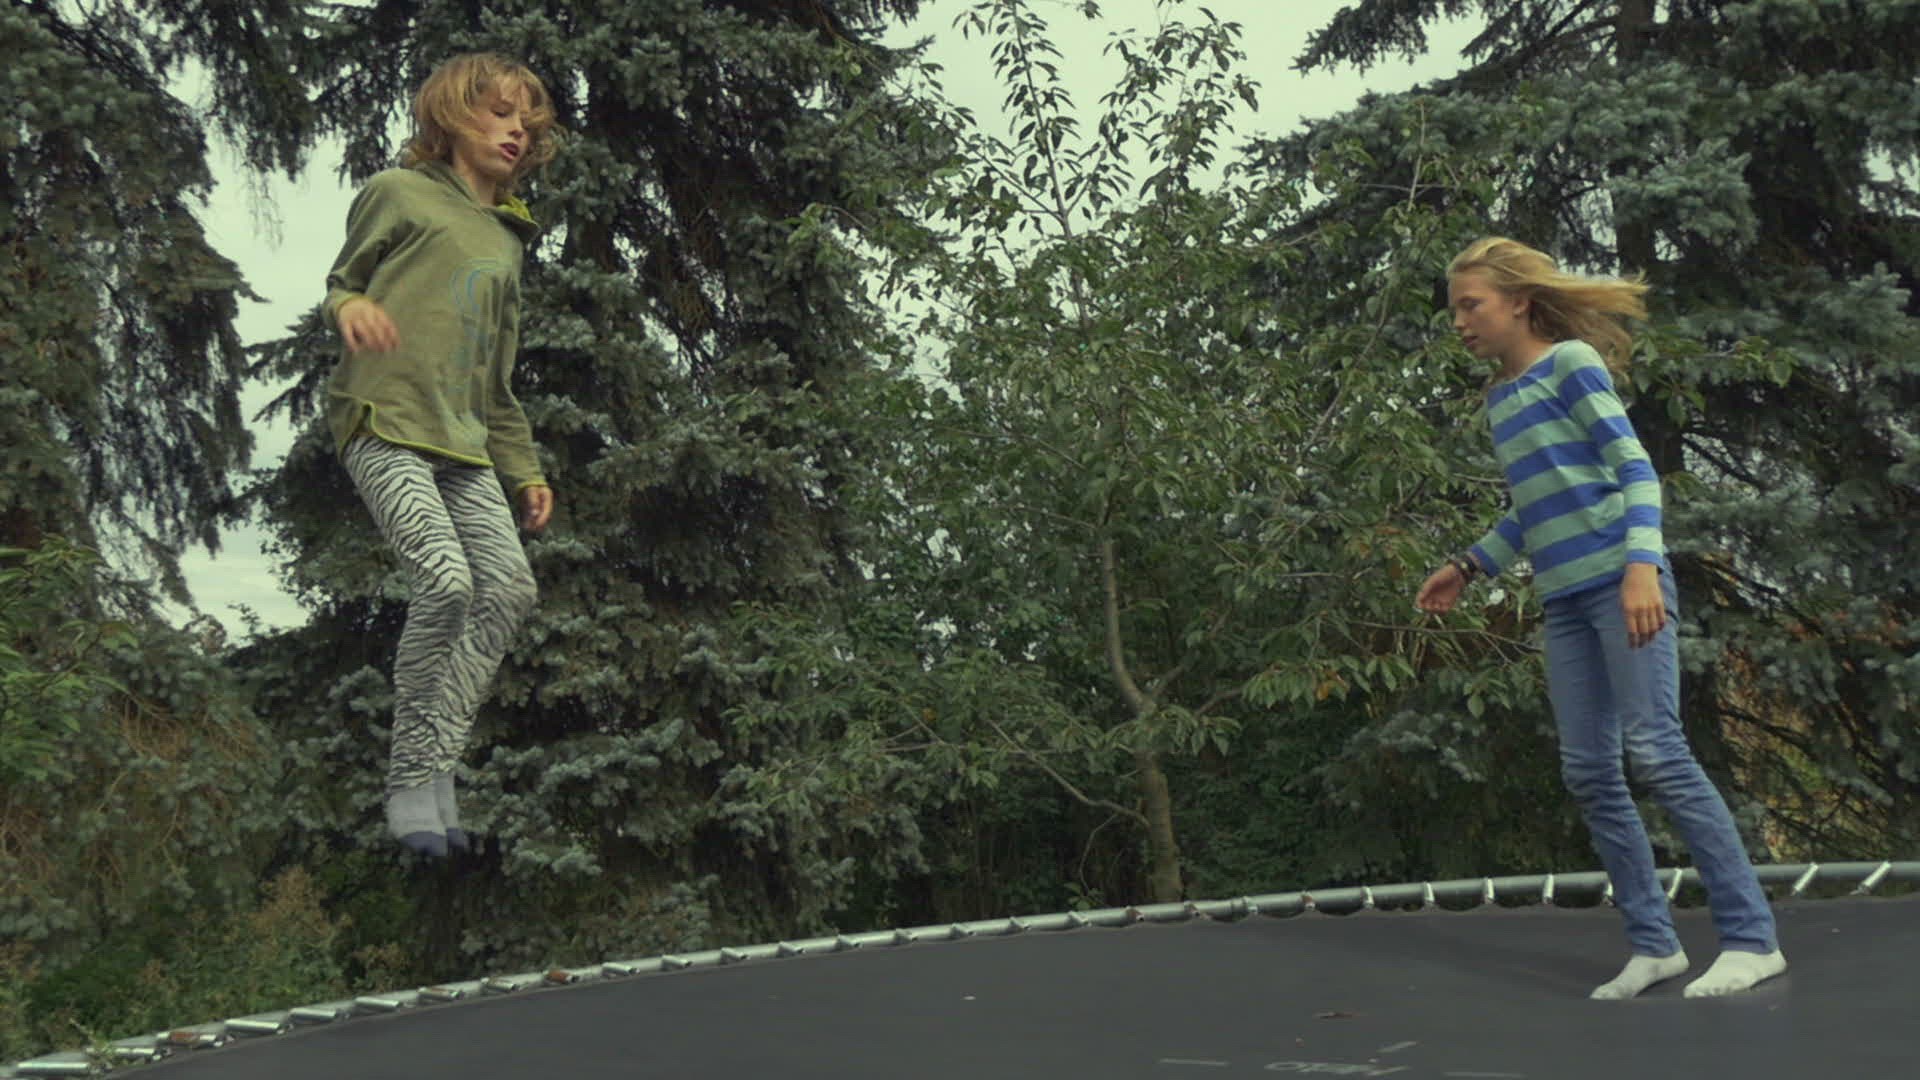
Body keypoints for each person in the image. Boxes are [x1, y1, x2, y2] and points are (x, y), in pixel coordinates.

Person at [1416, 237, 1787, 999]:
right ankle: (1654, 945)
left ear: (1518, 302)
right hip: (1563, 601)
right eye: (1455, 309)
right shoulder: (1501, 399)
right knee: (1588, 770)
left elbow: (1634, 469)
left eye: (1471, 305)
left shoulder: (1571, 365)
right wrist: (1469, 565)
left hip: (1623, 582)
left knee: (1658, 752)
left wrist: (1641, 567)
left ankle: (1753, 940)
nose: (1459, 322)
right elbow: (1532, 506)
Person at [322, 53, 559, 858]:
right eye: (499, 113)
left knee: (508, 591)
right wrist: (351, 307)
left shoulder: (507, 239)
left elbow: (497, 379)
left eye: (525, 122)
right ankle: (408, 785)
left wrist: (524, 469)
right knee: (447, 583)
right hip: (384, 421)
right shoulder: (399, 192)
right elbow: (341, 282)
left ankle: (435, 774)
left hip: (464, 443)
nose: (515, 131)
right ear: (453, 116)